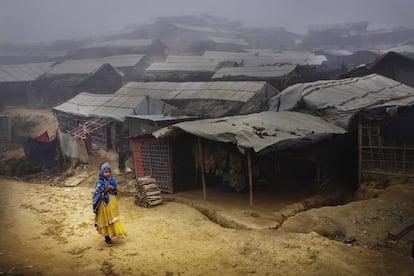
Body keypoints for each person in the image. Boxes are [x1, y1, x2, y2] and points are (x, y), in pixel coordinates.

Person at [92, 162, 126, 246]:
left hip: (111, 204)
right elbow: (97, 195)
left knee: (112, 219)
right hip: (103, 205)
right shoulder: (100, 183)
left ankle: (114, 233)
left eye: (108, 171)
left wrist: (113, 188)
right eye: (105, 172)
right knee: (105, 220)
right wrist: (106, 189)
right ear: (101, 173)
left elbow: (116, 190)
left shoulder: (112, 180)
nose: (107, 174)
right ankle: (107, 238)